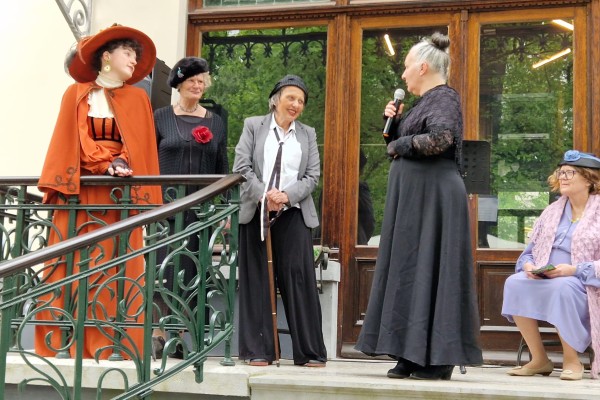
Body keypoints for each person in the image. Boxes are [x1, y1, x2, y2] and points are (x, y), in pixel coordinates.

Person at [354, 33, 483, 380]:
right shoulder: (424, 102)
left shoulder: (444, 97)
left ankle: (437, 359)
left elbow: (441, 140)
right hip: (416, 199)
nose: (404, 74)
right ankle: (410, 353)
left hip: (435, 199)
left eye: (408, 66)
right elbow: (409, 141)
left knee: (434, 269)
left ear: (423, 67)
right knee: (411, 270)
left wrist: (400, 143)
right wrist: (394, 128)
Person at [35, 24, 163, 359]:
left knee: (116, 264)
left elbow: (140, 145)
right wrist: (103, 163)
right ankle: (65, 342)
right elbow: (73, 140)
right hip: (81, 193)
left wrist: (122, 160)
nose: (133, 61)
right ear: (106, 56)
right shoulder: (75, 93)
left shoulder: (138, 99)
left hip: (118, 197)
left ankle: (115, 343)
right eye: (127, 54)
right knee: (74, 262)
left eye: (136, 57)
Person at [233, 75, 327, 367]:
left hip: (293, 213)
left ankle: (309, 352)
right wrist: (265, 195)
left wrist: (284, 196)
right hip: (256, 212)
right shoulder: (253, 126)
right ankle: (259, 350)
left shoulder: (307, 134)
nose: (296, 104)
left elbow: (312, 176)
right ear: (275, 100)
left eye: (300, 101)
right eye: (291, 98)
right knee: (258, 280)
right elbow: (241, 167)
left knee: (299, 281)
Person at [152, 57, 228, 357]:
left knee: (191, 272)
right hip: (164, 210)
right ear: (179, 84)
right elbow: (148, 159)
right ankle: (158, 335)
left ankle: (180, 336)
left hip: (200, 212)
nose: (198, 85)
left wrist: (222, 211)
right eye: (193, 80)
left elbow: (222, 168)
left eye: (202, 81)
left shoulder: (215, 121)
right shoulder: (160, 117)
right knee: (162, 270)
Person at [502, 150, 600, 381]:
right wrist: (529, 267)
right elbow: (528, 253)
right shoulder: (551, 211)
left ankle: (572, 360)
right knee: (515, 282)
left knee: (562, 288)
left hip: (583, 282)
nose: (563, 177)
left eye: (570, 173)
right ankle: (539, 359)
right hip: (546, 276)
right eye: (561, 172)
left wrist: (573, 270)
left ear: (589, 179)